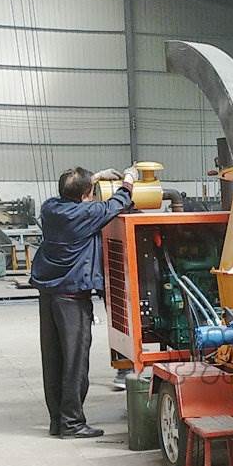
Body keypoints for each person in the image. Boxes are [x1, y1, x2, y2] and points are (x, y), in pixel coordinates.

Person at [30, 164, 138, 438]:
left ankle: (58, 421)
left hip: (49, 295)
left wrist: (96, 177)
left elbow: (77, 195)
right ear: (84, 196)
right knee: (75, 362)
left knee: (53, 360)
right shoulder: (85, 214)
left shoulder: (50, 208)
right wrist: (129, 180)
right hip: (72, 299)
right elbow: (118, 203)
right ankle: (72, 423)